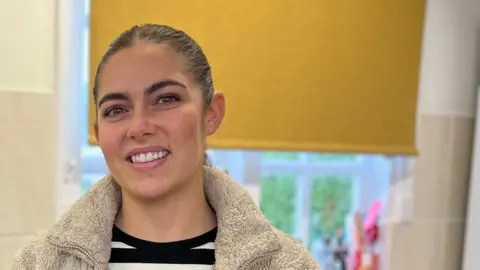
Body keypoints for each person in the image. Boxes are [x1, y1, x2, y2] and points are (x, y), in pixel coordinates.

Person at [12, 24, 320, 269]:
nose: (139, 127)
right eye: (116, 109)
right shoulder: (38, 263)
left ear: (211, 114)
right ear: (97, 133)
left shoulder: (287, 264)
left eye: (166, 99)